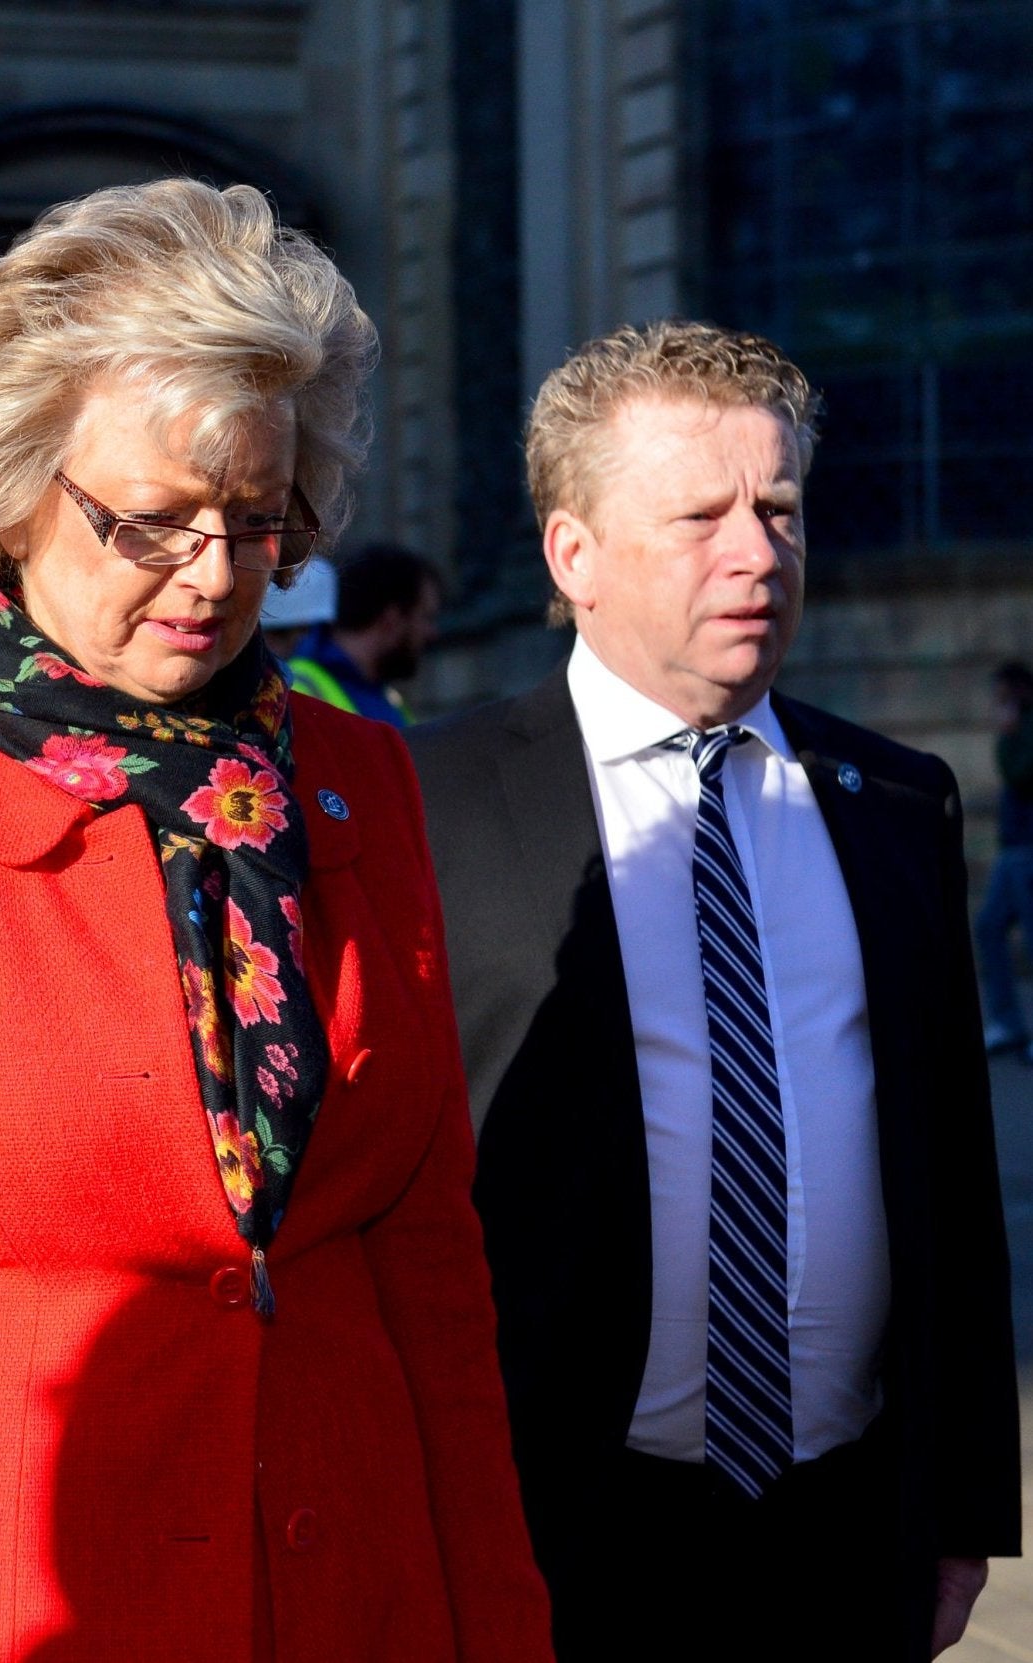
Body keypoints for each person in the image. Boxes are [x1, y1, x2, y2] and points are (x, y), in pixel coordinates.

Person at [0, 180, 552, 1663]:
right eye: (150, 521)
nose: (214, 577)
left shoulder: (356, 779)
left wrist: (500, 1626)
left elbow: (430, 1265)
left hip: (356, 1594)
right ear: (10, 488)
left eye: (256, 520)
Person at [408, 321, 1018, 1663]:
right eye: (701, 516)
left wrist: (963, 1500)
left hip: (844, 1522)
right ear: (572, 555)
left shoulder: (894, 796)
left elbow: (950, 1175)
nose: (758, 553)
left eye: (780, 508)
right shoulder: (426, 799)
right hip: (550, 1523)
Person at [281, 541, 443, 726]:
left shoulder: (388, 698)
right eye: (426, 617)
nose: (432, 633)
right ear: (392, 619)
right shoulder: (297, 688)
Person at [975, 660, 1033, 1055]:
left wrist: (1008, 736)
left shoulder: (1026, 730)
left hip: (1028, 848)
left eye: (1002, 696)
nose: (998, 705)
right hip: (1013, 850)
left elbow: (1020, 774)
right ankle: (1007, 1023)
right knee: (988, 928)